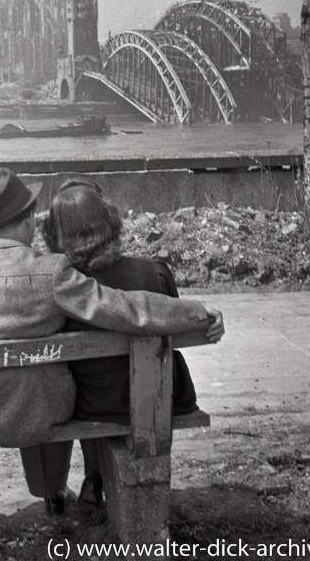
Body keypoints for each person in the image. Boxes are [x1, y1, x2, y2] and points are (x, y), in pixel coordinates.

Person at [0, 167, 224, 531]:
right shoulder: (51, 272)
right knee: (39, 386)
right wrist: (197, 312)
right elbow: (125, 308)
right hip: (37, 413)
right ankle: (54, 494)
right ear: (28, 220)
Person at [41, 179, 220, 512]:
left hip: (93, 406)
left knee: (84, 380)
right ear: (110, 224)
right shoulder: (155, 274)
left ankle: (94, 474)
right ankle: (101, 475)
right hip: (163, 401)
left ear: (56, 236)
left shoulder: (65, 292)